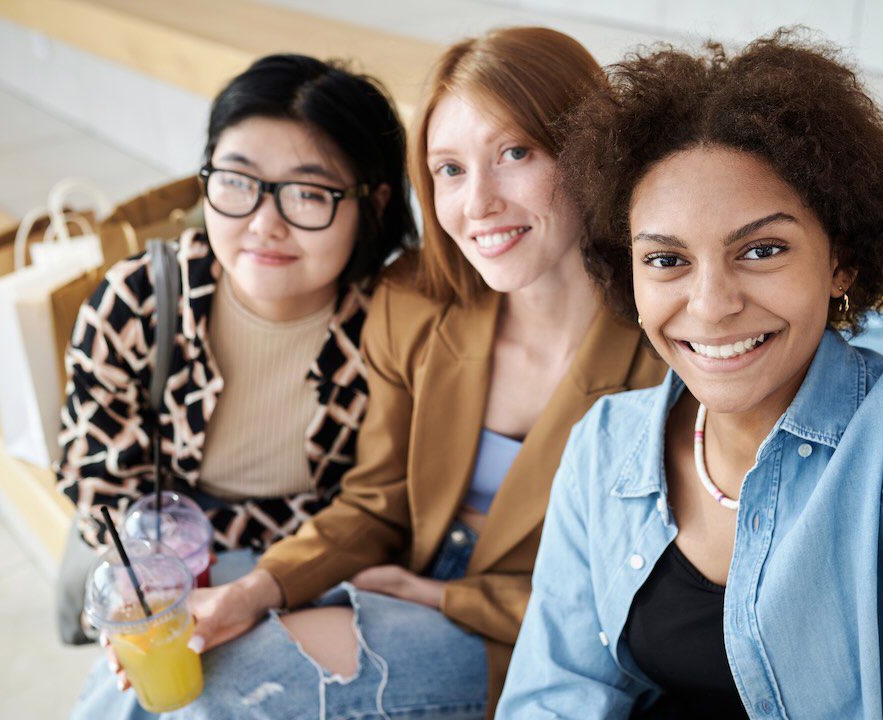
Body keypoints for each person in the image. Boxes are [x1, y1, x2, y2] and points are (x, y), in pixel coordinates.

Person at [498, 32, 883, 718]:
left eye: (761, 249)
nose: (710, 305)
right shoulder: (604, 448)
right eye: (666, 260)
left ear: (841, 262)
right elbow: (557, 694)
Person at [92, 27, 666, 720]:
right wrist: (251, 592)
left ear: (592, 153)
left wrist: (448, 598)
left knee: (220, 699)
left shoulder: (664, 349)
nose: (477, 202)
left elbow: (643, 590)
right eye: (450, 169)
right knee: (153, 681)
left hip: (530, 634)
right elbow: (377, 500)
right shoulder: (416, 300)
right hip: (399, 583)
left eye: (515, 153)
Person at [57, 53, 413, 557]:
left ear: (374, 204)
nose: (265, 223)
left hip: (318, 567)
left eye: (308, 193)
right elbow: (99, 484)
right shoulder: (140, 300)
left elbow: (379, 506)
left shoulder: (394, 324)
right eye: (237, 181)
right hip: (159, 566)